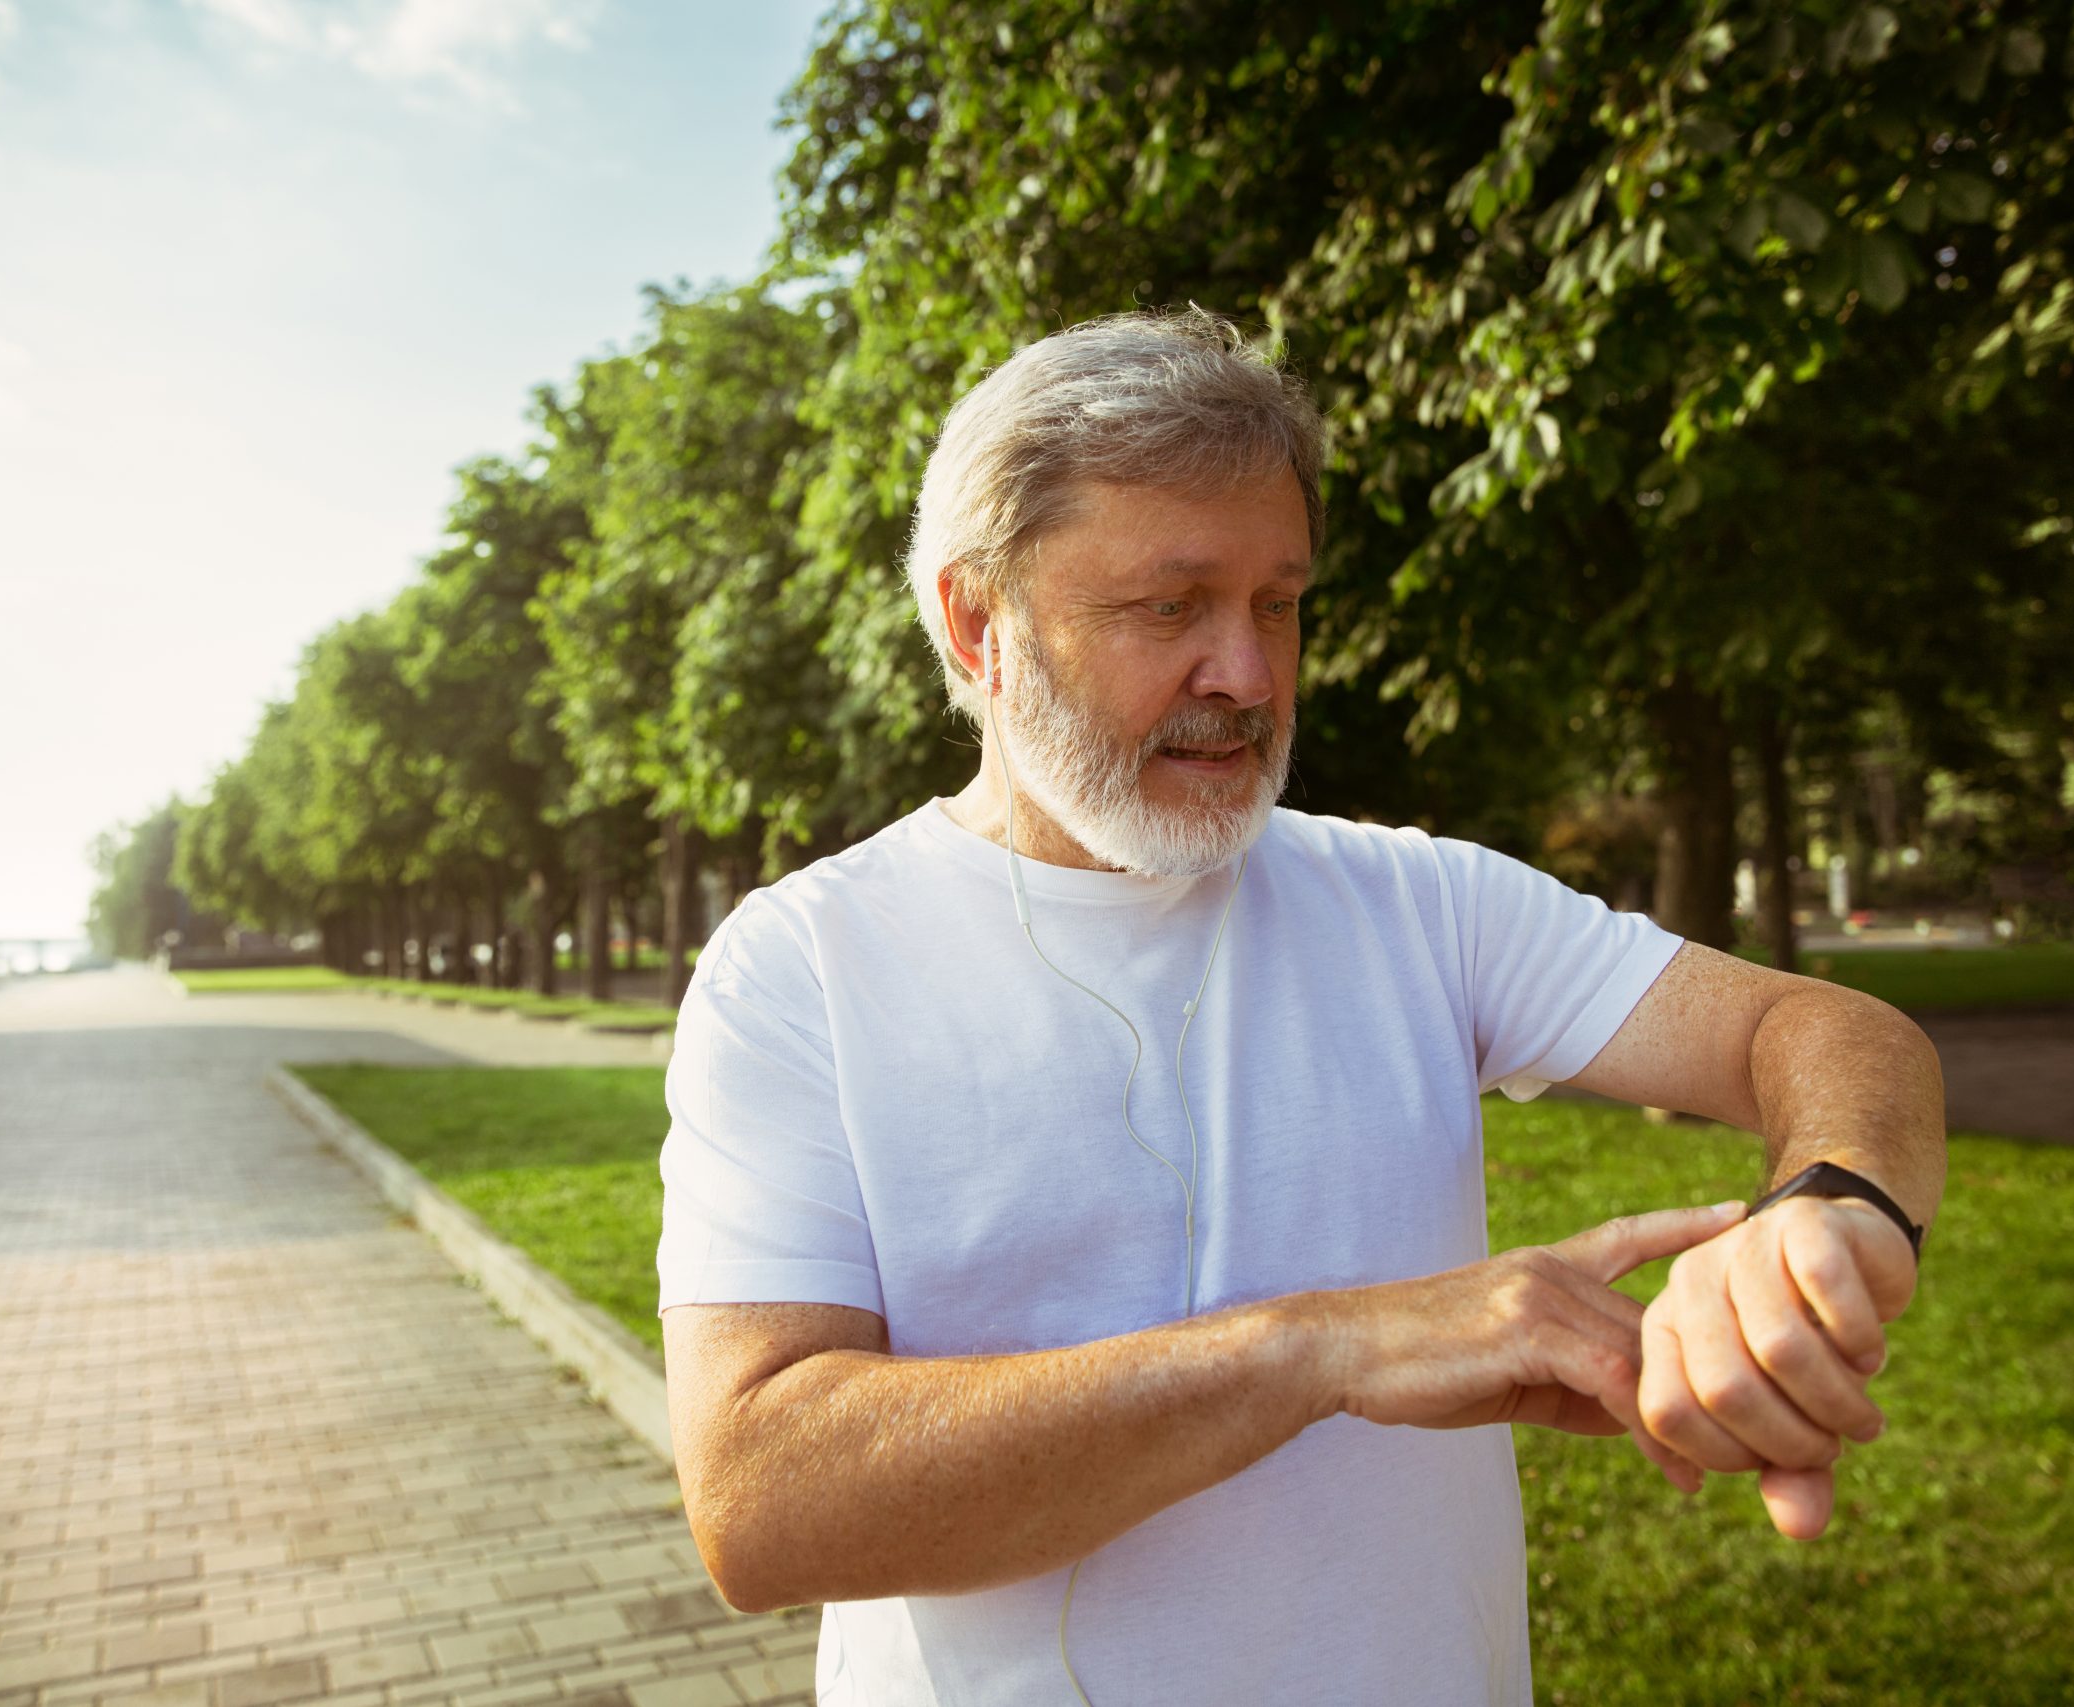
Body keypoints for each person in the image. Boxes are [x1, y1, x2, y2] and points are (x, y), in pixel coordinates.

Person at [656, 309, 1944, 1705]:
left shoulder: (1419, 904)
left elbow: (1822, 1035)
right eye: (1171, 606)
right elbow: (762, 1502)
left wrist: (1831, 1204)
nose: (1250, 675)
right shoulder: (800, 968)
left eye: (1279, 601)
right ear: (982, 625)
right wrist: (1328, 1346)